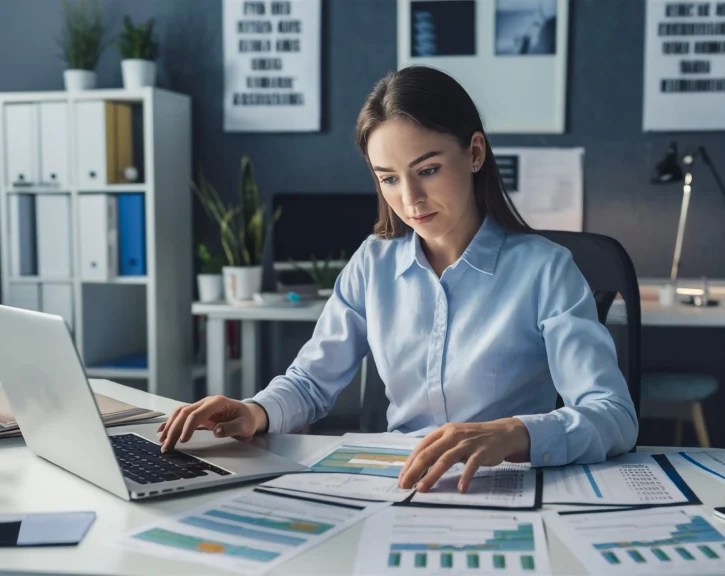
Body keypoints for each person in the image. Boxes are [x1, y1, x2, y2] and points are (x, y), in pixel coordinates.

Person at [158, 65, 638, 493]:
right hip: (395, 484)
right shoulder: (373, 263)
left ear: (474, 153)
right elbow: (310, 382)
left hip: (499, 485)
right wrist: (253, 412)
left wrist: (515, 433)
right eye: (388, 178)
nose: (410, 200)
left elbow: (613, 415)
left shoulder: (545, 269)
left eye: (427, 169)